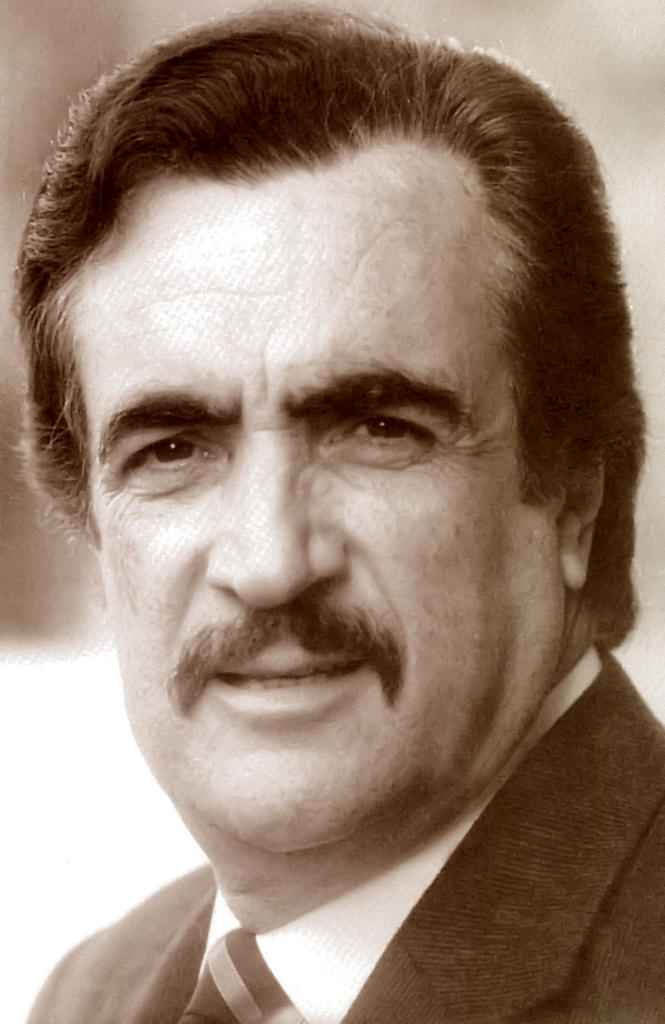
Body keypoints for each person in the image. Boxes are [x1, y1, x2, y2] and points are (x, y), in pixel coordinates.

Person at [17, 6, 665, 1023]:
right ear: (95, 528)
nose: (271, 562)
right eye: (171, 448)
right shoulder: (95, 994)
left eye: (377, 428)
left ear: (572, 499)